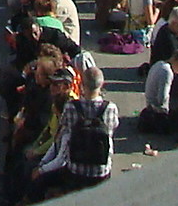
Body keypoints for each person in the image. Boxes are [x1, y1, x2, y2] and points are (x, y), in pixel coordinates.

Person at [33, 64, 117, 194]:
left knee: (42, 181)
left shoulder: (71, 107)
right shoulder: (110, 108)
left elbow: (62, 132)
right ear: (101, 85)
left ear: (82, 85)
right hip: (101, 172)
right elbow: (112, 129)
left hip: (75, 171)